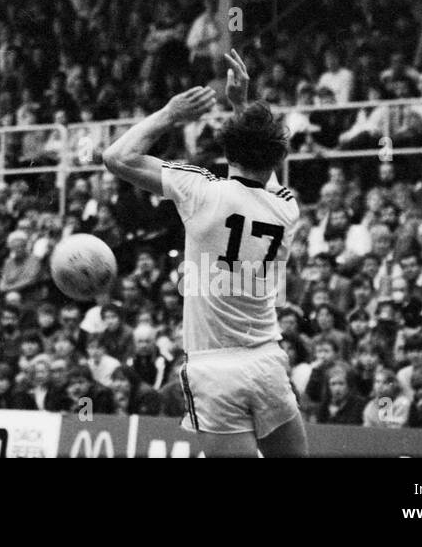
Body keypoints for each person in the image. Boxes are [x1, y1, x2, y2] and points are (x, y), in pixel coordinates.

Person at [103, 49, 308, 457]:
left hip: (214, 370)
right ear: (277, 157)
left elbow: (116, 157)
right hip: (267, 360)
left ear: (226, 148)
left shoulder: (200, 190)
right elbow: (259, 163)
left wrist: (170, 113)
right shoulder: (286, 206)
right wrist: (241, 106)